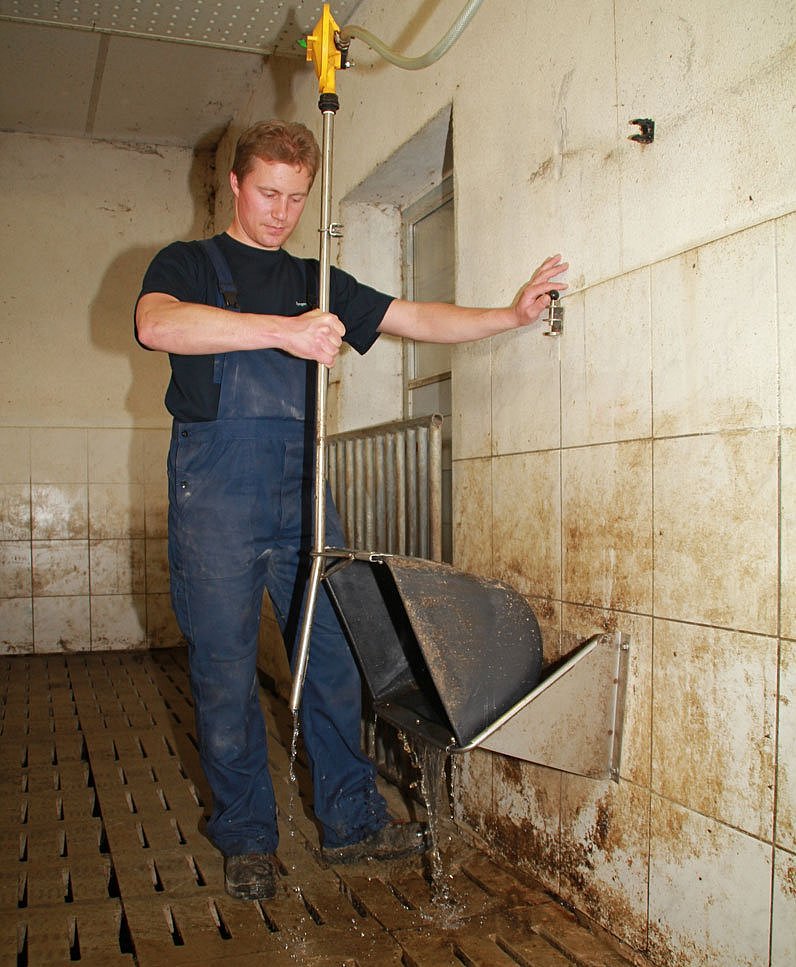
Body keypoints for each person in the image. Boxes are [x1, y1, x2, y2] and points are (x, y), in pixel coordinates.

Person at [135, 119, 567, 902]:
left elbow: (417, 318)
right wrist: (286, 333)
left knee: (333, 660)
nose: (281, 211)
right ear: (235, 184)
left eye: (297, 197)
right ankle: (246, 839)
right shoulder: (188, 263)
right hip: (218, 506)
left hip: (305, 496)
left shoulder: (317, 279)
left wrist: (509, 316)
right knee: (224, 674)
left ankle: (351, 820)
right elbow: (155, 323)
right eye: (268, 192)